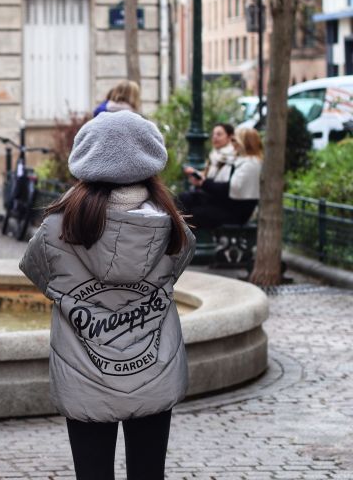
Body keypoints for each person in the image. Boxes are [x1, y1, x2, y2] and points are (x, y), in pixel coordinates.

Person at [19, 110, 194, 480]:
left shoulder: (55, 230)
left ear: (86, 159)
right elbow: (177, 269)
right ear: (151, 160)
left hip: (83, 374)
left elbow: (38, 273)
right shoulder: (173, 226)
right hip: (154, 370)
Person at [183, 126, 263, 229]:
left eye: (234, 140)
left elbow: (230, 188)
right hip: (227, 205)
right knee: (185, 199)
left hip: (235, 212)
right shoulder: (244, 160)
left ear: (244, 142)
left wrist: (204, 183)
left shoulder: (250, 163)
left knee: (193, 213)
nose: (233, 143)